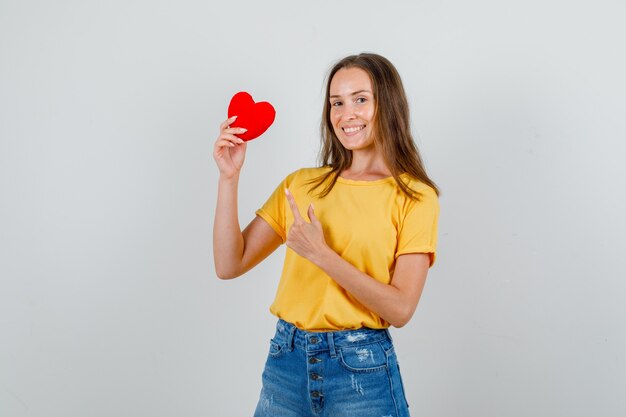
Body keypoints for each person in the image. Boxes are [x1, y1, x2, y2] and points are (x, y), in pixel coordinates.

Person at [213, 52, 440, 417]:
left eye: (360, 99)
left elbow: (400, 309)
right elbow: (229, 264)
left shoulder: (414, 196)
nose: (345, 114)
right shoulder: (301, 184)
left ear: (389, 104)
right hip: (285, 364)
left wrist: (322, 255)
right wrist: (229, 177)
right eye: (337, 102)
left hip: (361, 371)